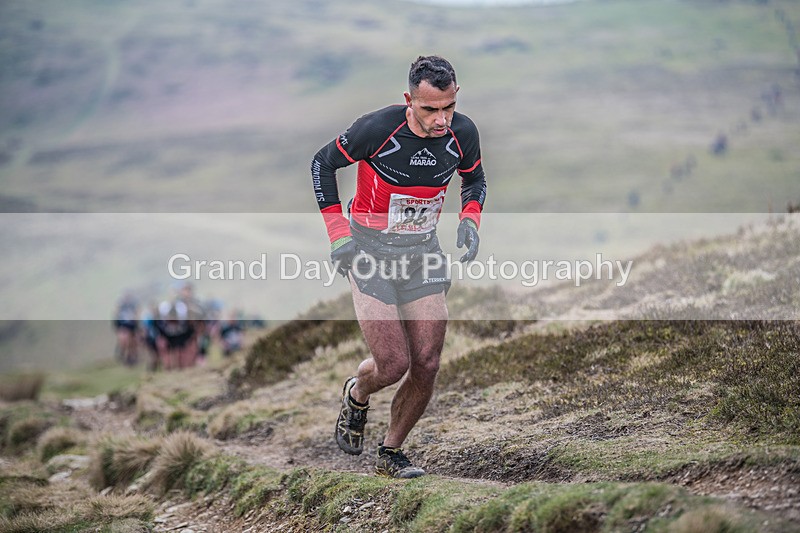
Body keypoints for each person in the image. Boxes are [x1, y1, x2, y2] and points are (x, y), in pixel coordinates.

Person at [311, 55, 486, 478]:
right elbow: (322, 164)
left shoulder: (462, 132)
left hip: (422, 253)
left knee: (426, 362)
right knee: (392, 364)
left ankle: (391, 452)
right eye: (429, 109)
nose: (441, 119)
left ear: (456, 96)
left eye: (449, 106)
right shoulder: (377, 129)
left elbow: (475, 178)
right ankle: (358, 392)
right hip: (369, 253)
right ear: (409, 100)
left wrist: (470, 219)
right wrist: (339, 236)